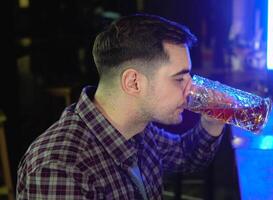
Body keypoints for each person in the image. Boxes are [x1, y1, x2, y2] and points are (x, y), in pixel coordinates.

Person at [17, 13, 225, 199]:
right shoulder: (61, 167)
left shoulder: (139, 128)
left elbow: (184, 155)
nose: (190, 90)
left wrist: (212, 122)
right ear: (133, 82)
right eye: (179, 79)